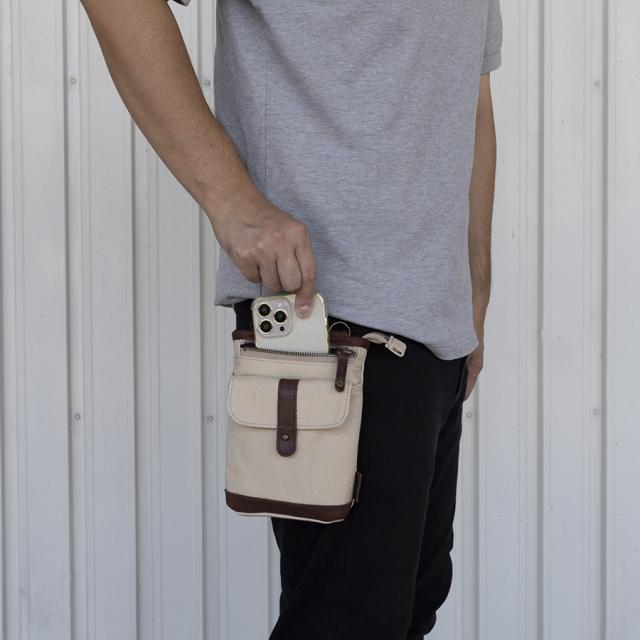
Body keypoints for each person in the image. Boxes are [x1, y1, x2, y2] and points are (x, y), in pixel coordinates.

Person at [82, 1, 502, 637]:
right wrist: (234, 203)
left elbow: (472, 97)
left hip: (434, 330)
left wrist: (475, 281)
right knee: (349, 623)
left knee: (409, 611)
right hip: (332, 324)